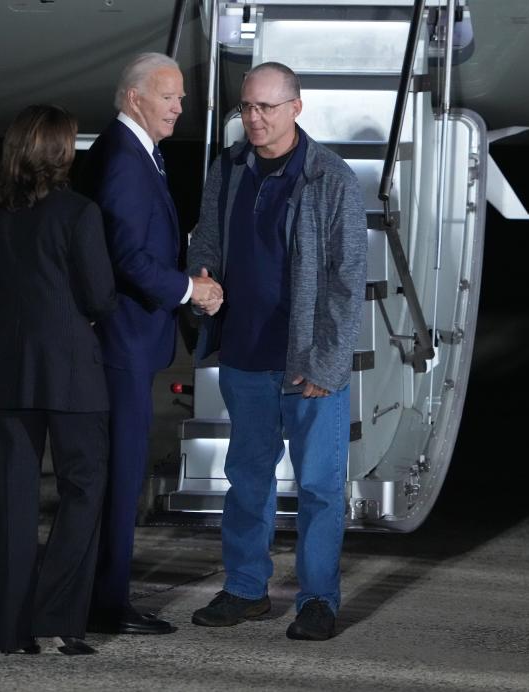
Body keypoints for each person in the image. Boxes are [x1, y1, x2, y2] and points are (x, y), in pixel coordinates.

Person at [188, 62, 367, 640]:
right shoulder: (230, 167)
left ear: (296, 108)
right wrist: (202, 283)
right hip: (244, 353)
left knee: (317, 487)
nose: (255, 119)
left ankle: (317, 600)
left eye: (266, 107)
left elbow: (346, 280)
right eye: (247, 108)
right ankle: (245, 589)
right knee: (247, 480)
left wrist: (327, 362)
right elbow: (207, 237)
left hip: (307, 364)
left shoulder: (329, 177)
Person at [0, 104, 116, 656]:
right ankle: (61, 616)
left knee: (9, 504)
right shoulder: (79, 213)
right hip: (71, 373)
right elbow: (100, 297)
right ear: (60, 152)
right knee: (84, 488)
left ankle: (10, 630)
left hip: (2, 374)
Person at [83, 52, 223, 636]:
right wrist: (188, 287)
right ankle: (106, 604)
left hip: (130, 339)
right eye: (170, 97)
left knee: (120, 471)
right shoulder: (122, 158)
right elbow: (126, 256)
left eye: (182, 97)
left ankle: (102, 595)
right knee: (120, 474)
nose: (180, 107)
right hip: (123, 341)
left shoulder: (137, 153)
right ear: (136, 97)